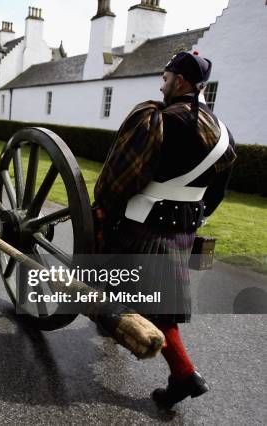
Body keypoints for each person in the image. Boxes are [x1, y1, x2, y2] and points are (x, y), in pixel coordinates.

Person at [93, 51, 236, 409]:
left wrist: (103, 207)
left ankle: (185, 375)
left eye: (167, 76)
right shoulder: (222, 133)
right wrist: (196, 217)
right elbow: (218, 191)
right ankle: (117, 322)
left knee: (153, 302)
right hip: (185, 228)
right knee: (151, 293)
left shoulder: (155, 119)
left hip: (146, 225)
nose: (163, 81)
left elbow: (121, 175)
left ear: (181, 82)